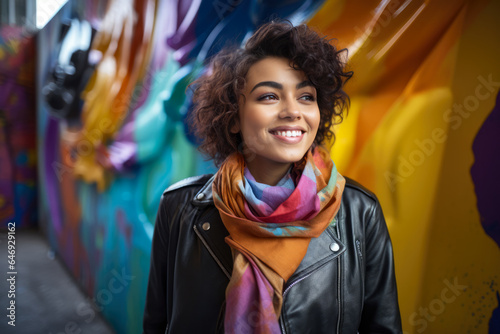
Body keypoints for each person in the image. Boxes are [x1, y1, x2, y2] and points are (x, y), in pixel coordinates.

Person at [143, 21, 402, 334]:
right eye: (269, 97)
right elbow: (157, 324)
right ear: (233, 116)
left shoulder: (361, 213)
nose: (293, 111)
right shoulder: (179, 207)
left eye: (306, 97)